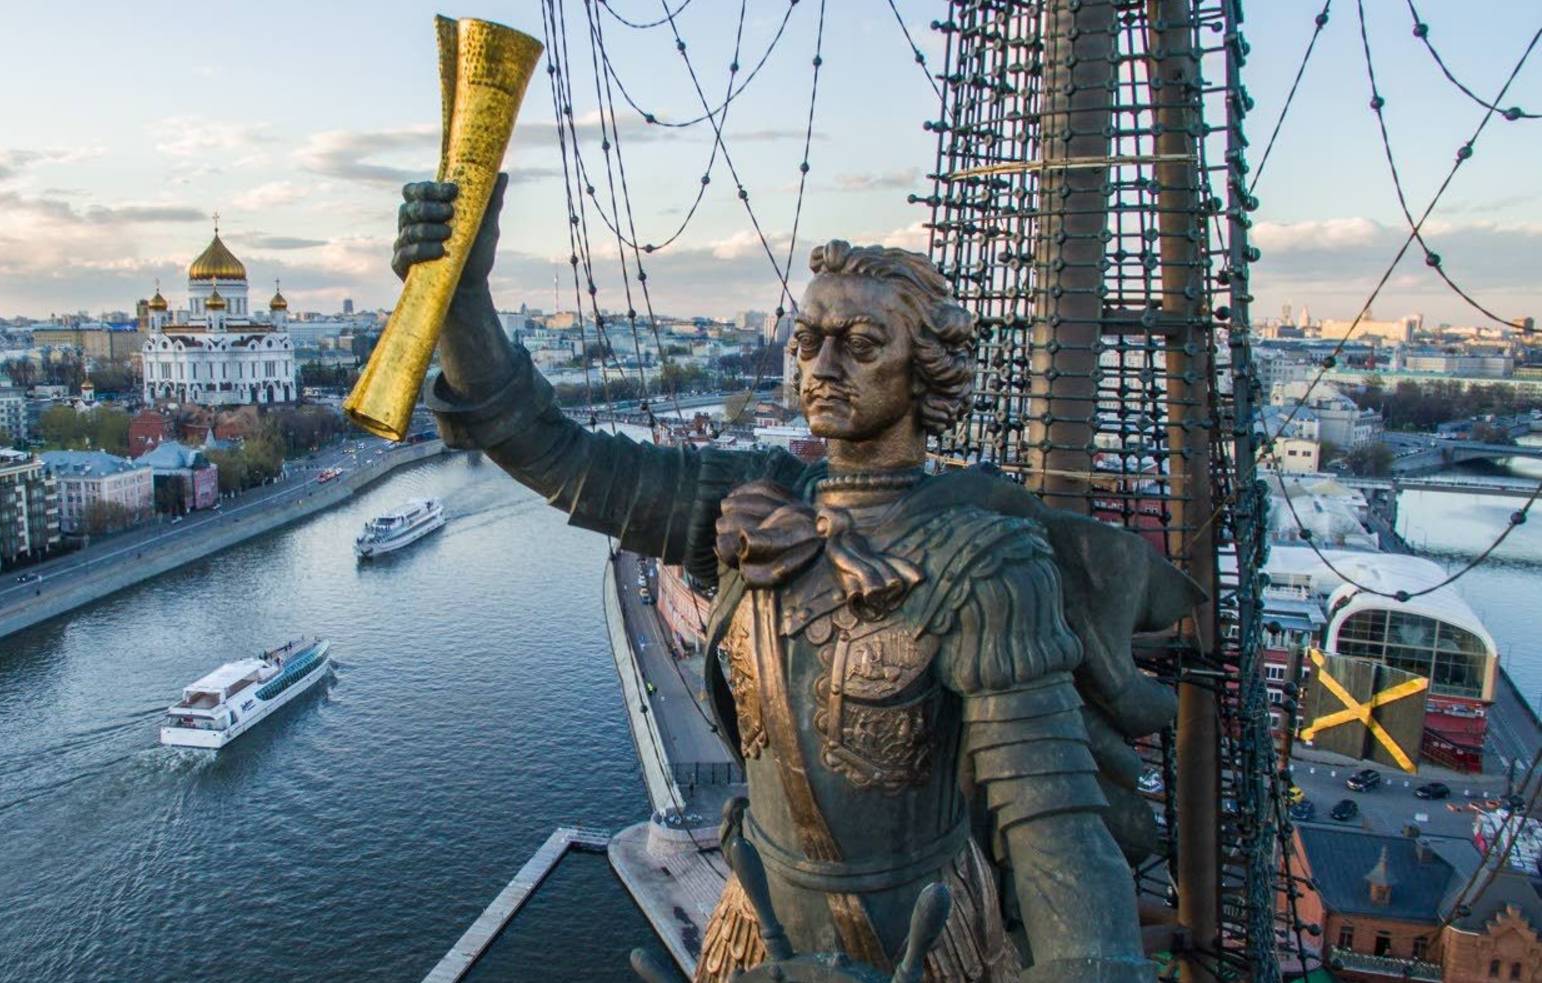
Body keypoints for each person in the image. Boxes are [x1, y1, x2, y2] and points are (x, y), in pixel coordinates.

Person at [395, 175, 1198, 981]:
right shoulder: (751, 500)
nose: (821, 365)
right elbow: (557, 454)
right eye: (808, 340)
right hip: (756, 930)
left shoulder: (982, 560)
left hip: (921, 947)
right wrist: (462, 298)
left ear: (926, 371)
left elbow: (1052, 818)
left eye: (860, 344)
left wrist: (1092, 961)